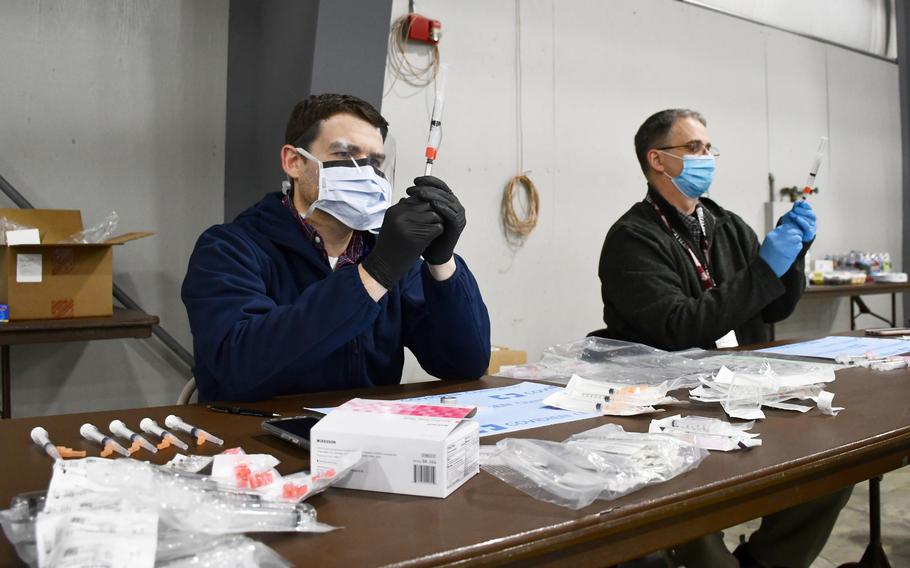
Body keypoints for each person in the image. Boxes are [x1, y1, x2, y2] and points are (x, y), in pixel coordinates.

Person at [599, 109, 850, 567]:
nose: (707, 157)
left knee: (831, 473)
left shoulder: (726, 225)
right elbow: (681, 326)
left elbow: (774, 307)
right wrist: (762, 271)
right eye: (693, 149)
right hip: (673, 406)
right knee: (696, 525)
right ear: (657, 159)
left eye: (709, 148)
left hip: (743, 389)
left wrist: (793, 256)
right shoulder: (632, 238)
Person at [182, 93, 491, 402]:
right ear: (294, 162)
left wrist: (442, 262)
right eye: (346, 155)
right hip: (257, 436)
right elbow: (239, 366)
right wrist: (374, 276)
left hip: (366, 437)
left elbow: (464, 364)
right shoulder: (229, 249)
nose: (367, 173)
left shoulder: (387, 254)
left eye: (376, 162)